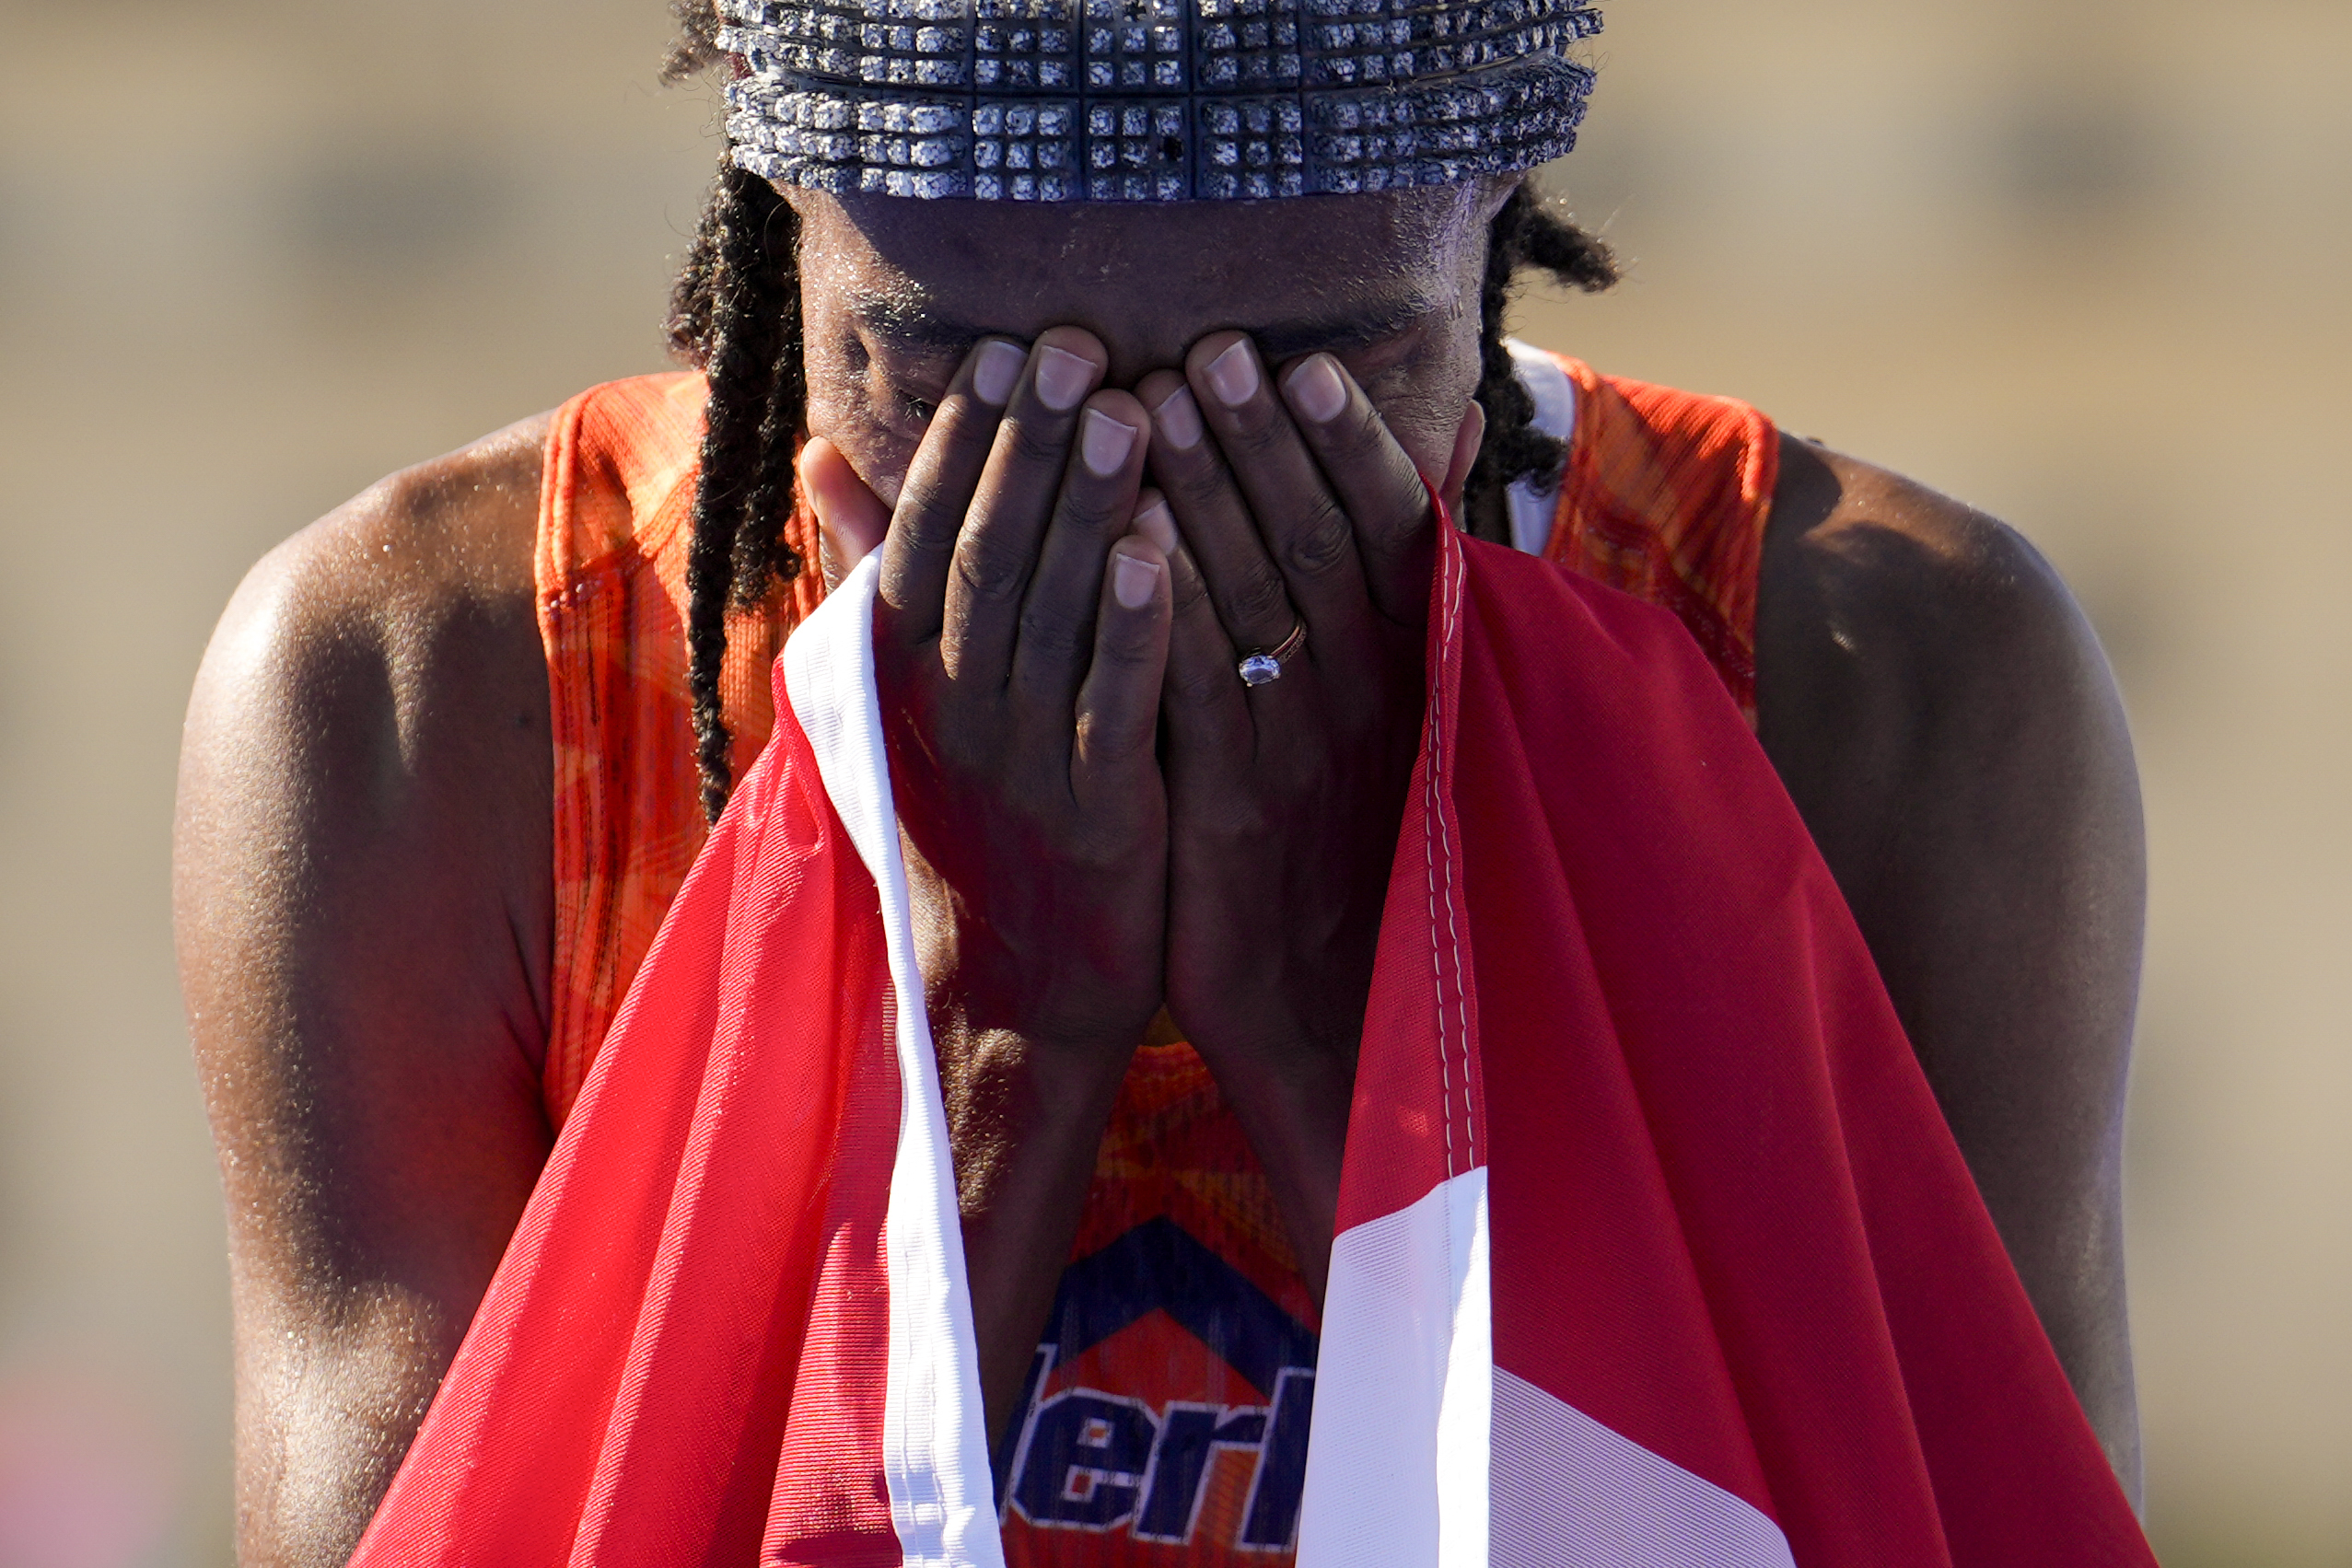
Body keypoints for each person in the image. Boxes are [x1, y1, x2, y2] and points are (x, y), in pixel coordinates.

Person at [173, 1, 2149, 1563]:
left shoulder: (1870, 690)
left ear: (1480, 246)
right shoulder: (440, 696)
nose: (1118, 499)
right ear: (787, 226)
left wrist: (1348, 1043)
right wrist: (988, 1039)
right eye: (954, 384)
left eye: (1306, 385)